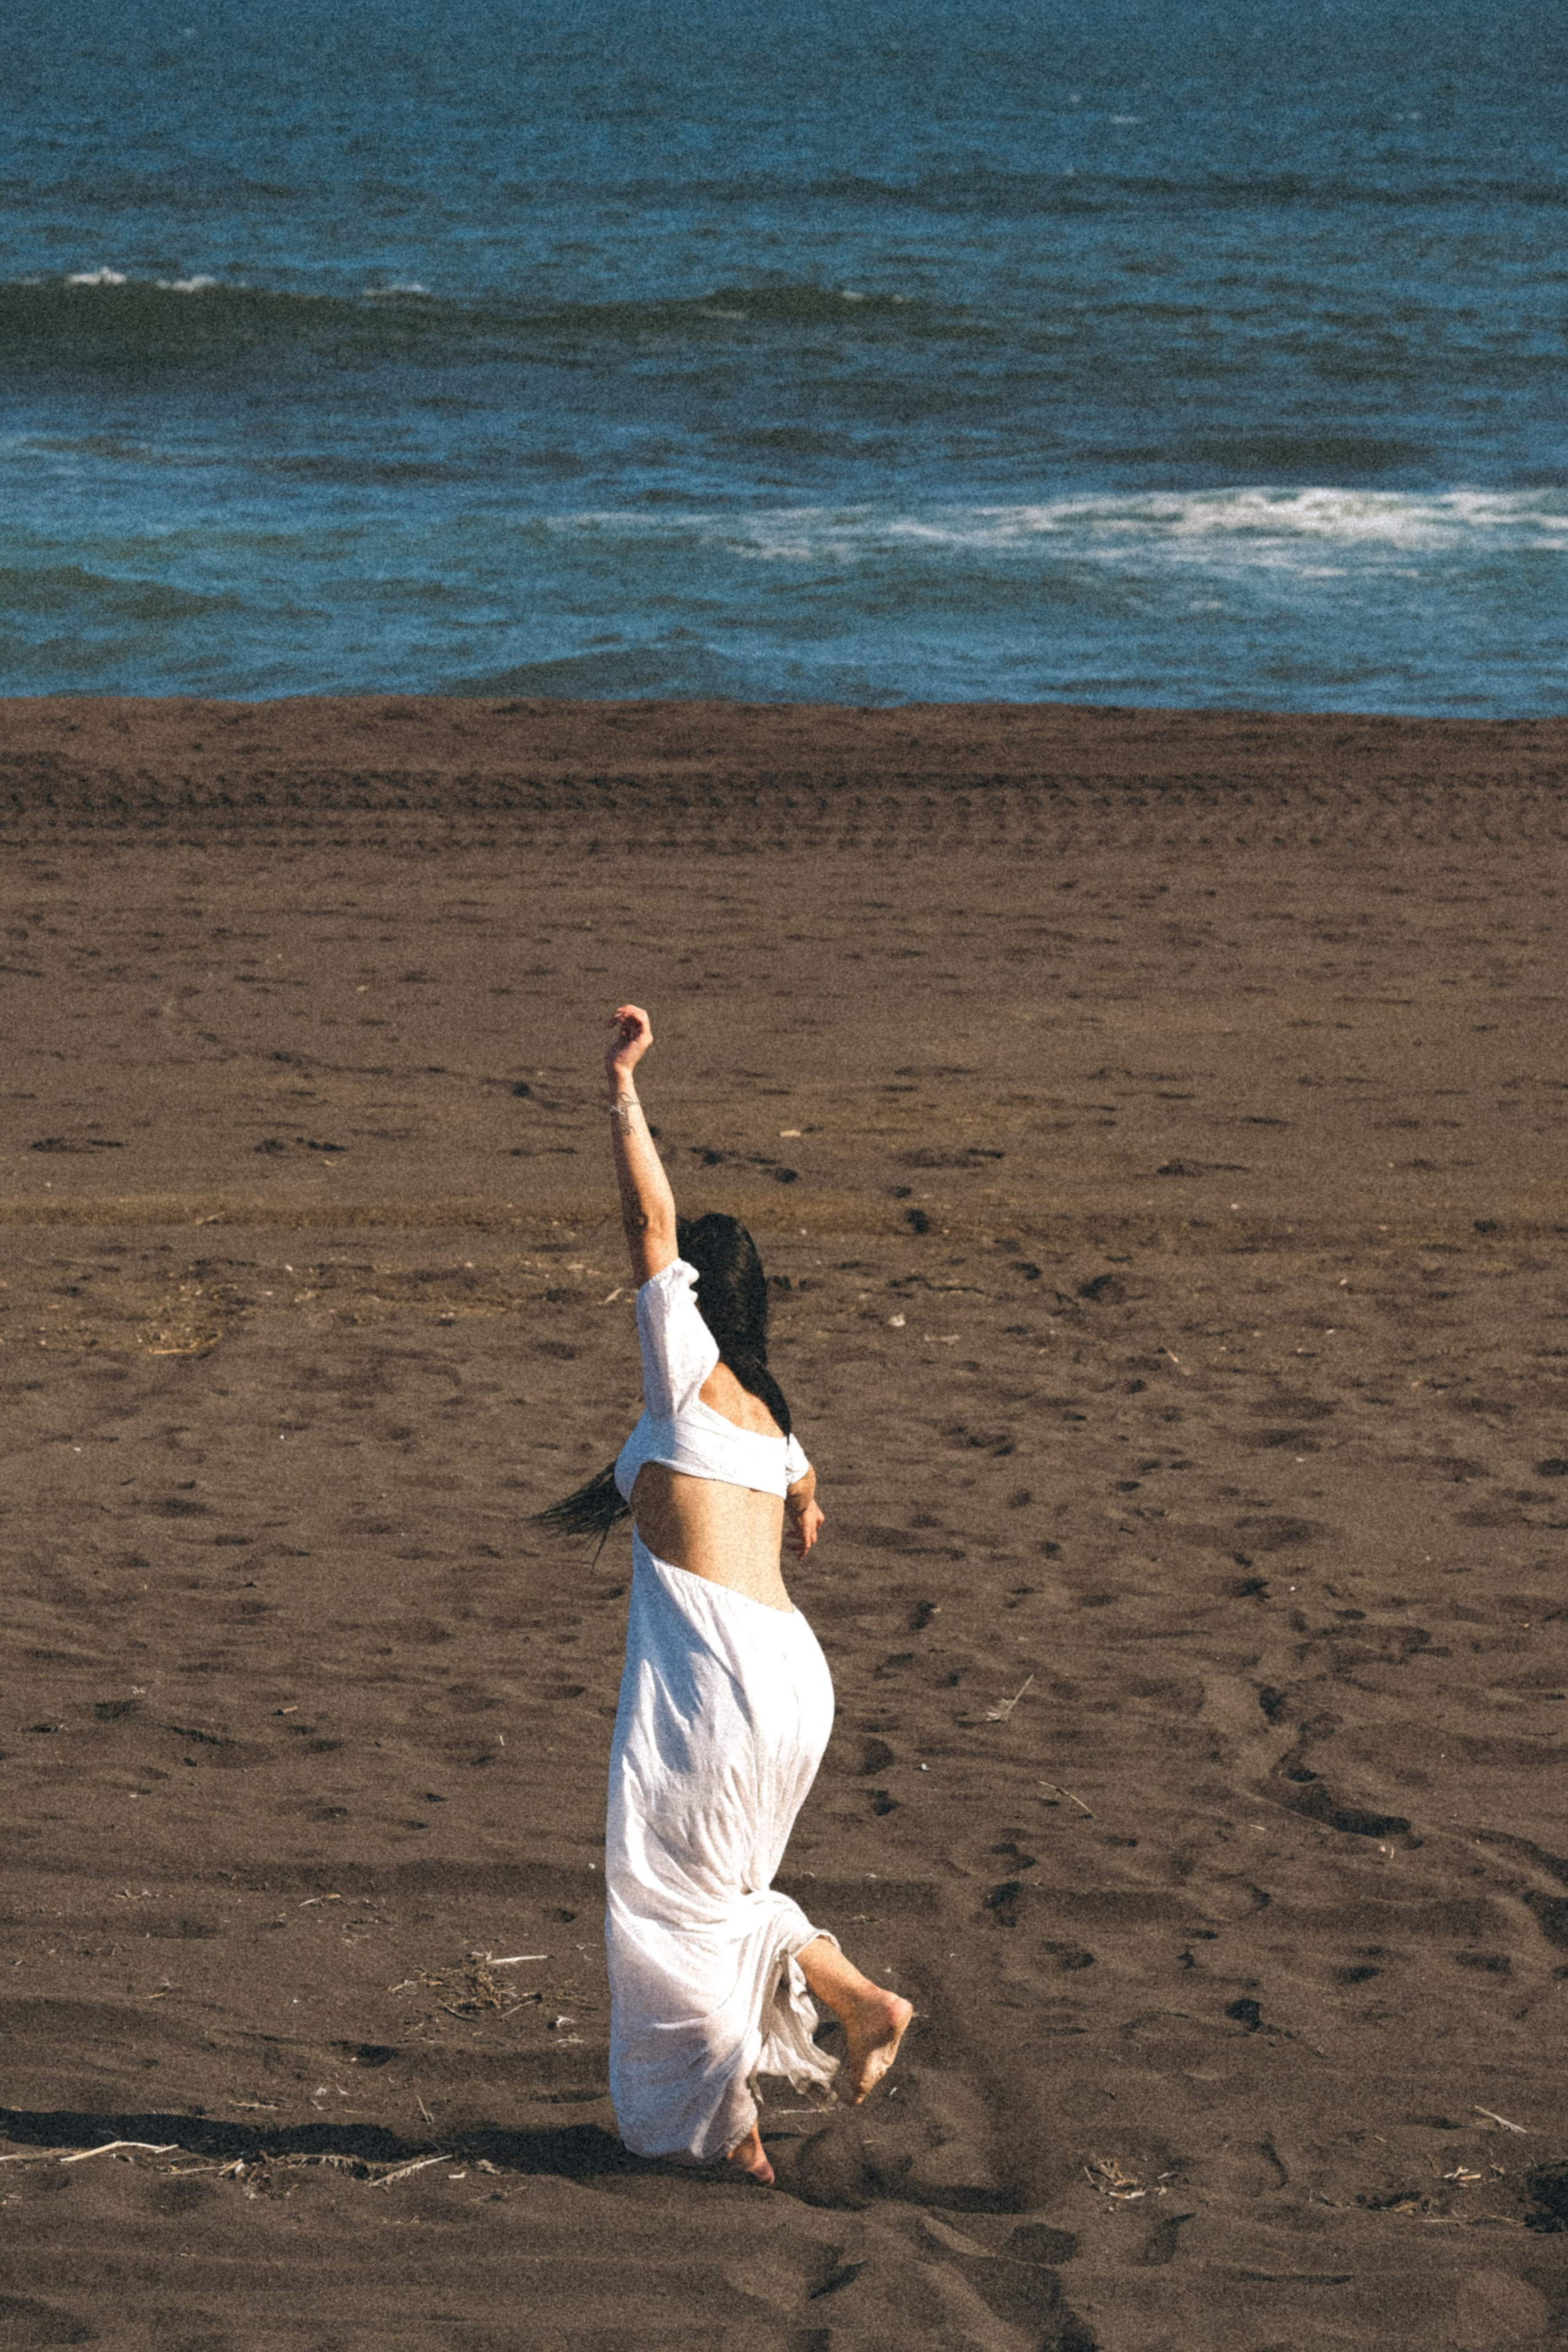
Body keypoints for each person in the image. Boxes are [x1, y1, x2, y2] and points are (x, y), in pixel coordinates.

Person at [537, 1003, 911, 2185]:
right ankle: (849, 2001)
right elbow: (803, 1486)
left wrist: (620, 1087)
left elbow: (650, 1223)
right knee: (715, 1895)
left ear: (701, 1300)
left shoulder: (685, 1372)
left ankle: (719, 2139)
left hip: (720, 1683)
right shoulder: (765, 1414)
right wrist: (803, 1504)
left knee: (664, 1904)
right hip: (795, 1683)